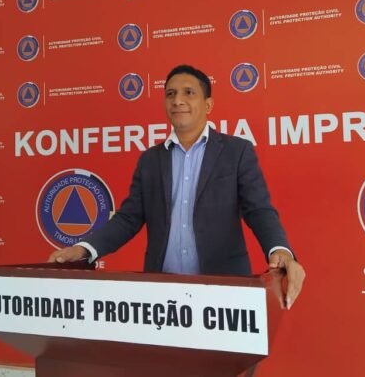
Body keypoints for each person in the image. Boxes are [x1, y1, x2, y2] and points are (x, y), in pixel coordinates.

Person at [48, 65, 305, 309]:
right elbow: (128, 218)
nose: (177, 100)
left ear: (208, 104)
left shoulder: (236, 152)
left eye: (188, 92)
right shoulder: (150, 160)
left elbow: (259, 209)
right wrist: (85, 249)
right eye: (170, 94)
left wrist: (280, 250)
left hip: (224, 289)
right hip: (163, 293)